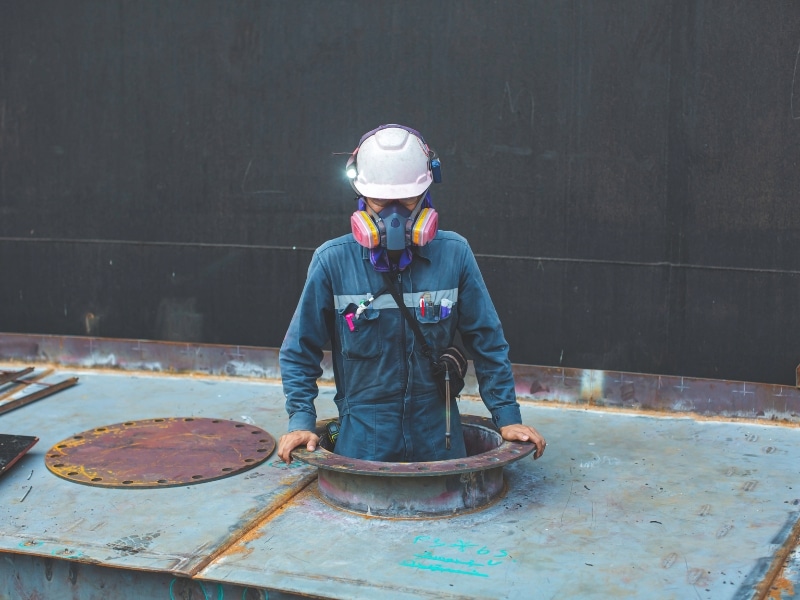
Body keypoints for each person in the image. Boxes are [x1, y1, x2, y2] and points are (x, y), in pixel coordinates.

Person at [277, 124, 546, 463]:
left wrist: (507, 417)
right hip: (362, 443)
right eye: (380, 201)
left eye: (405, 200)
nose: (393, 215)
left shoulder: (455, 254)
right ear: (360, 196)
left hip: (440, 440)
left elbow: (488, 341)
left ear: (425, 195)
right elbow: (299, 349)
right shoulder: (332, 262)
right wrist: (301, 420)